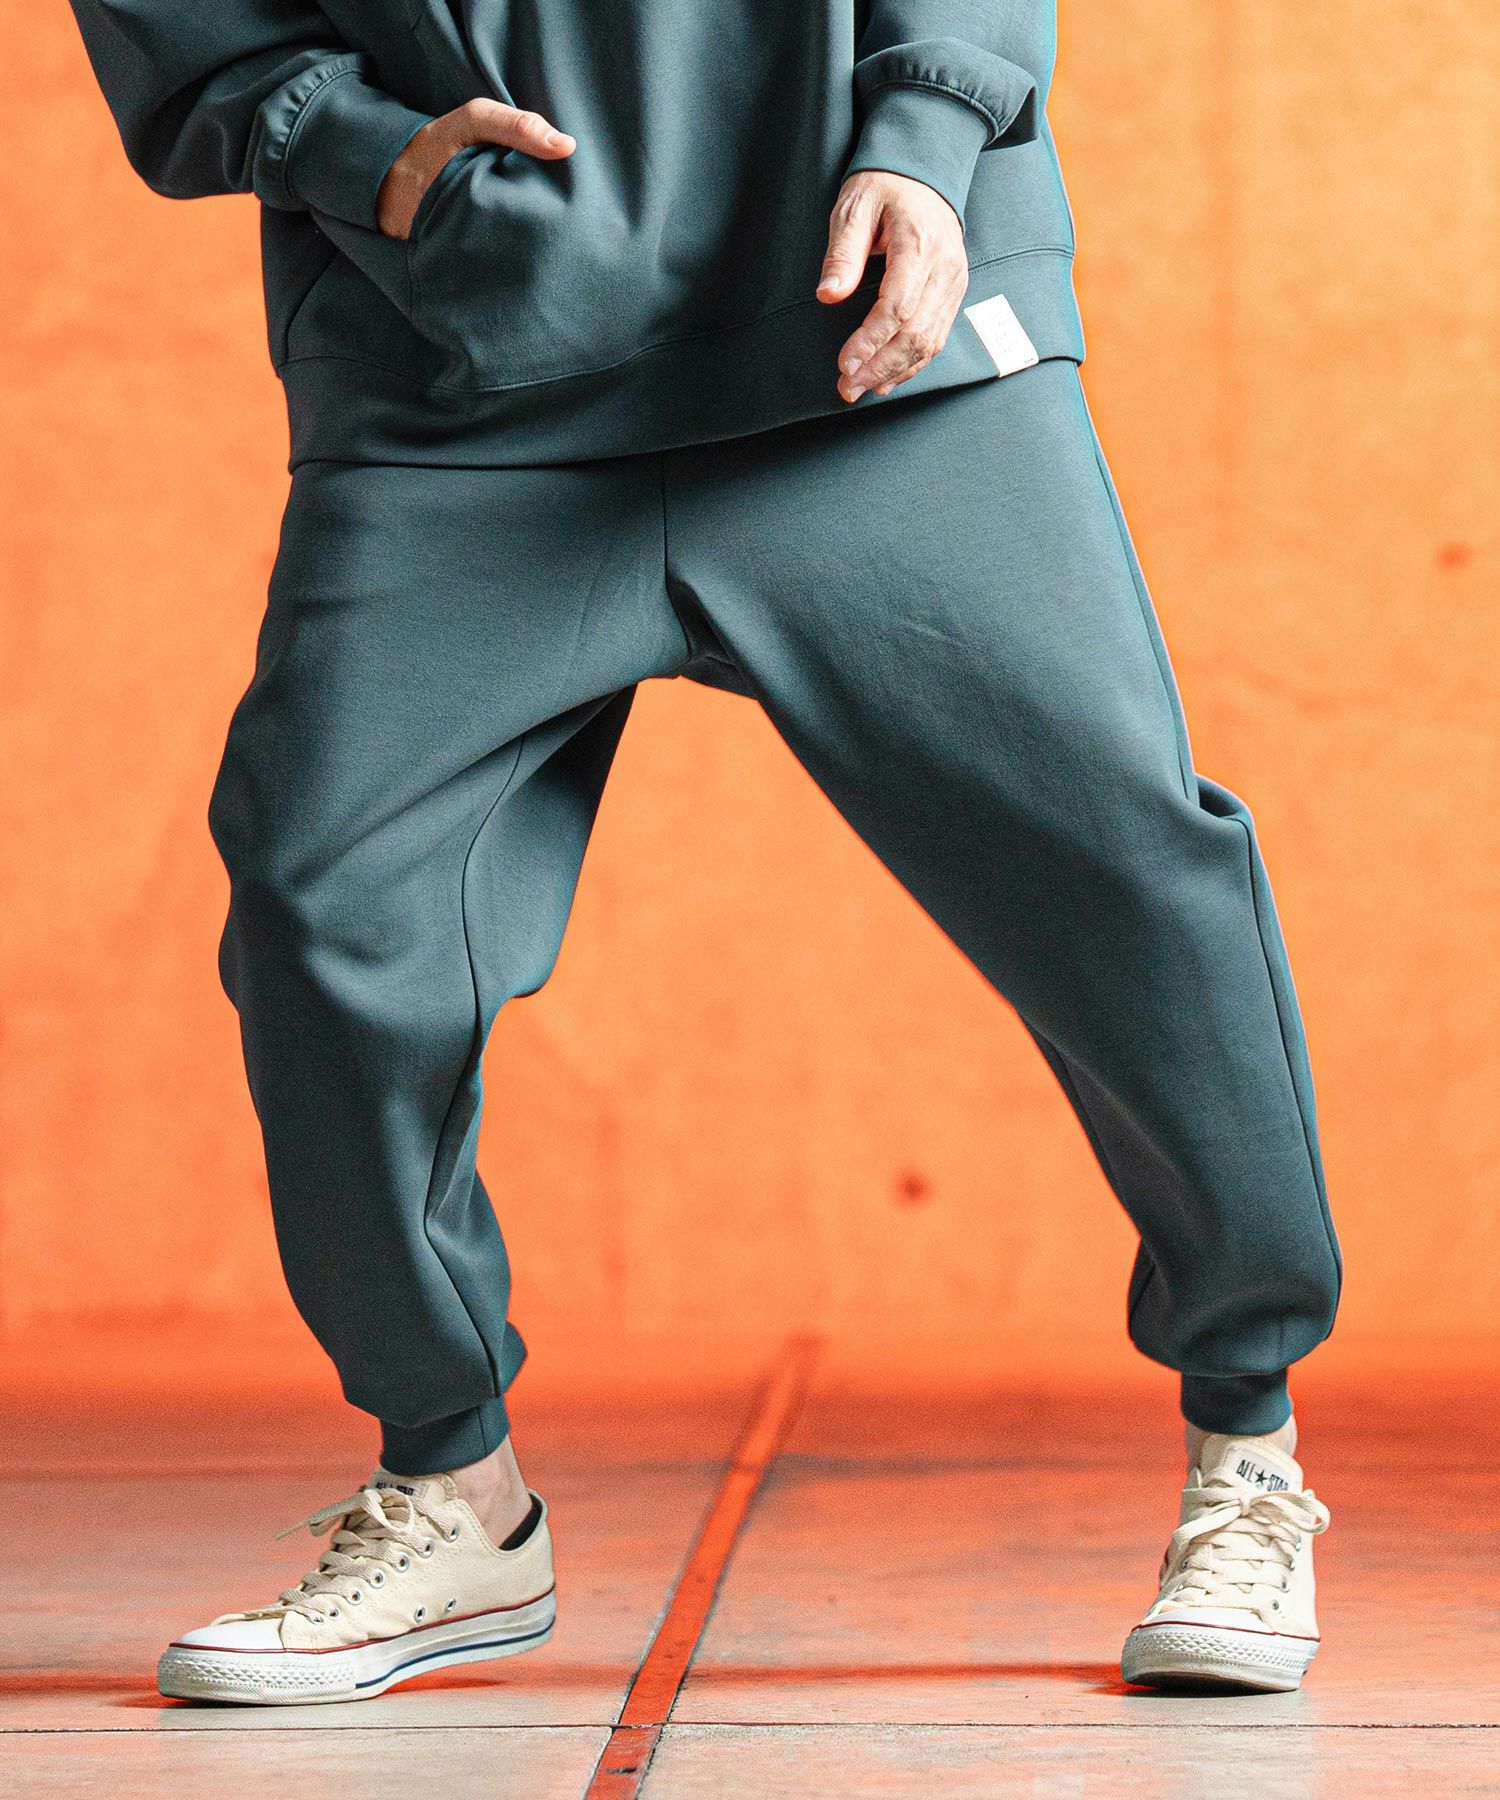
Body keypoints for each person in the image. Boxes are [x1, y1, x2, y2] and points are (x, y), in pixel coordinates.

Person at [65, 0, 1340, 1704]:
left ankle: (1249, 1444)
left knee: (1124, 869)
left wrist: (931, 136)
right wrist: (364, 152)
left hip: (874, 322)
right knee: (325, 907)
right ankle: (451, 1487)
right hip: (457, 359)